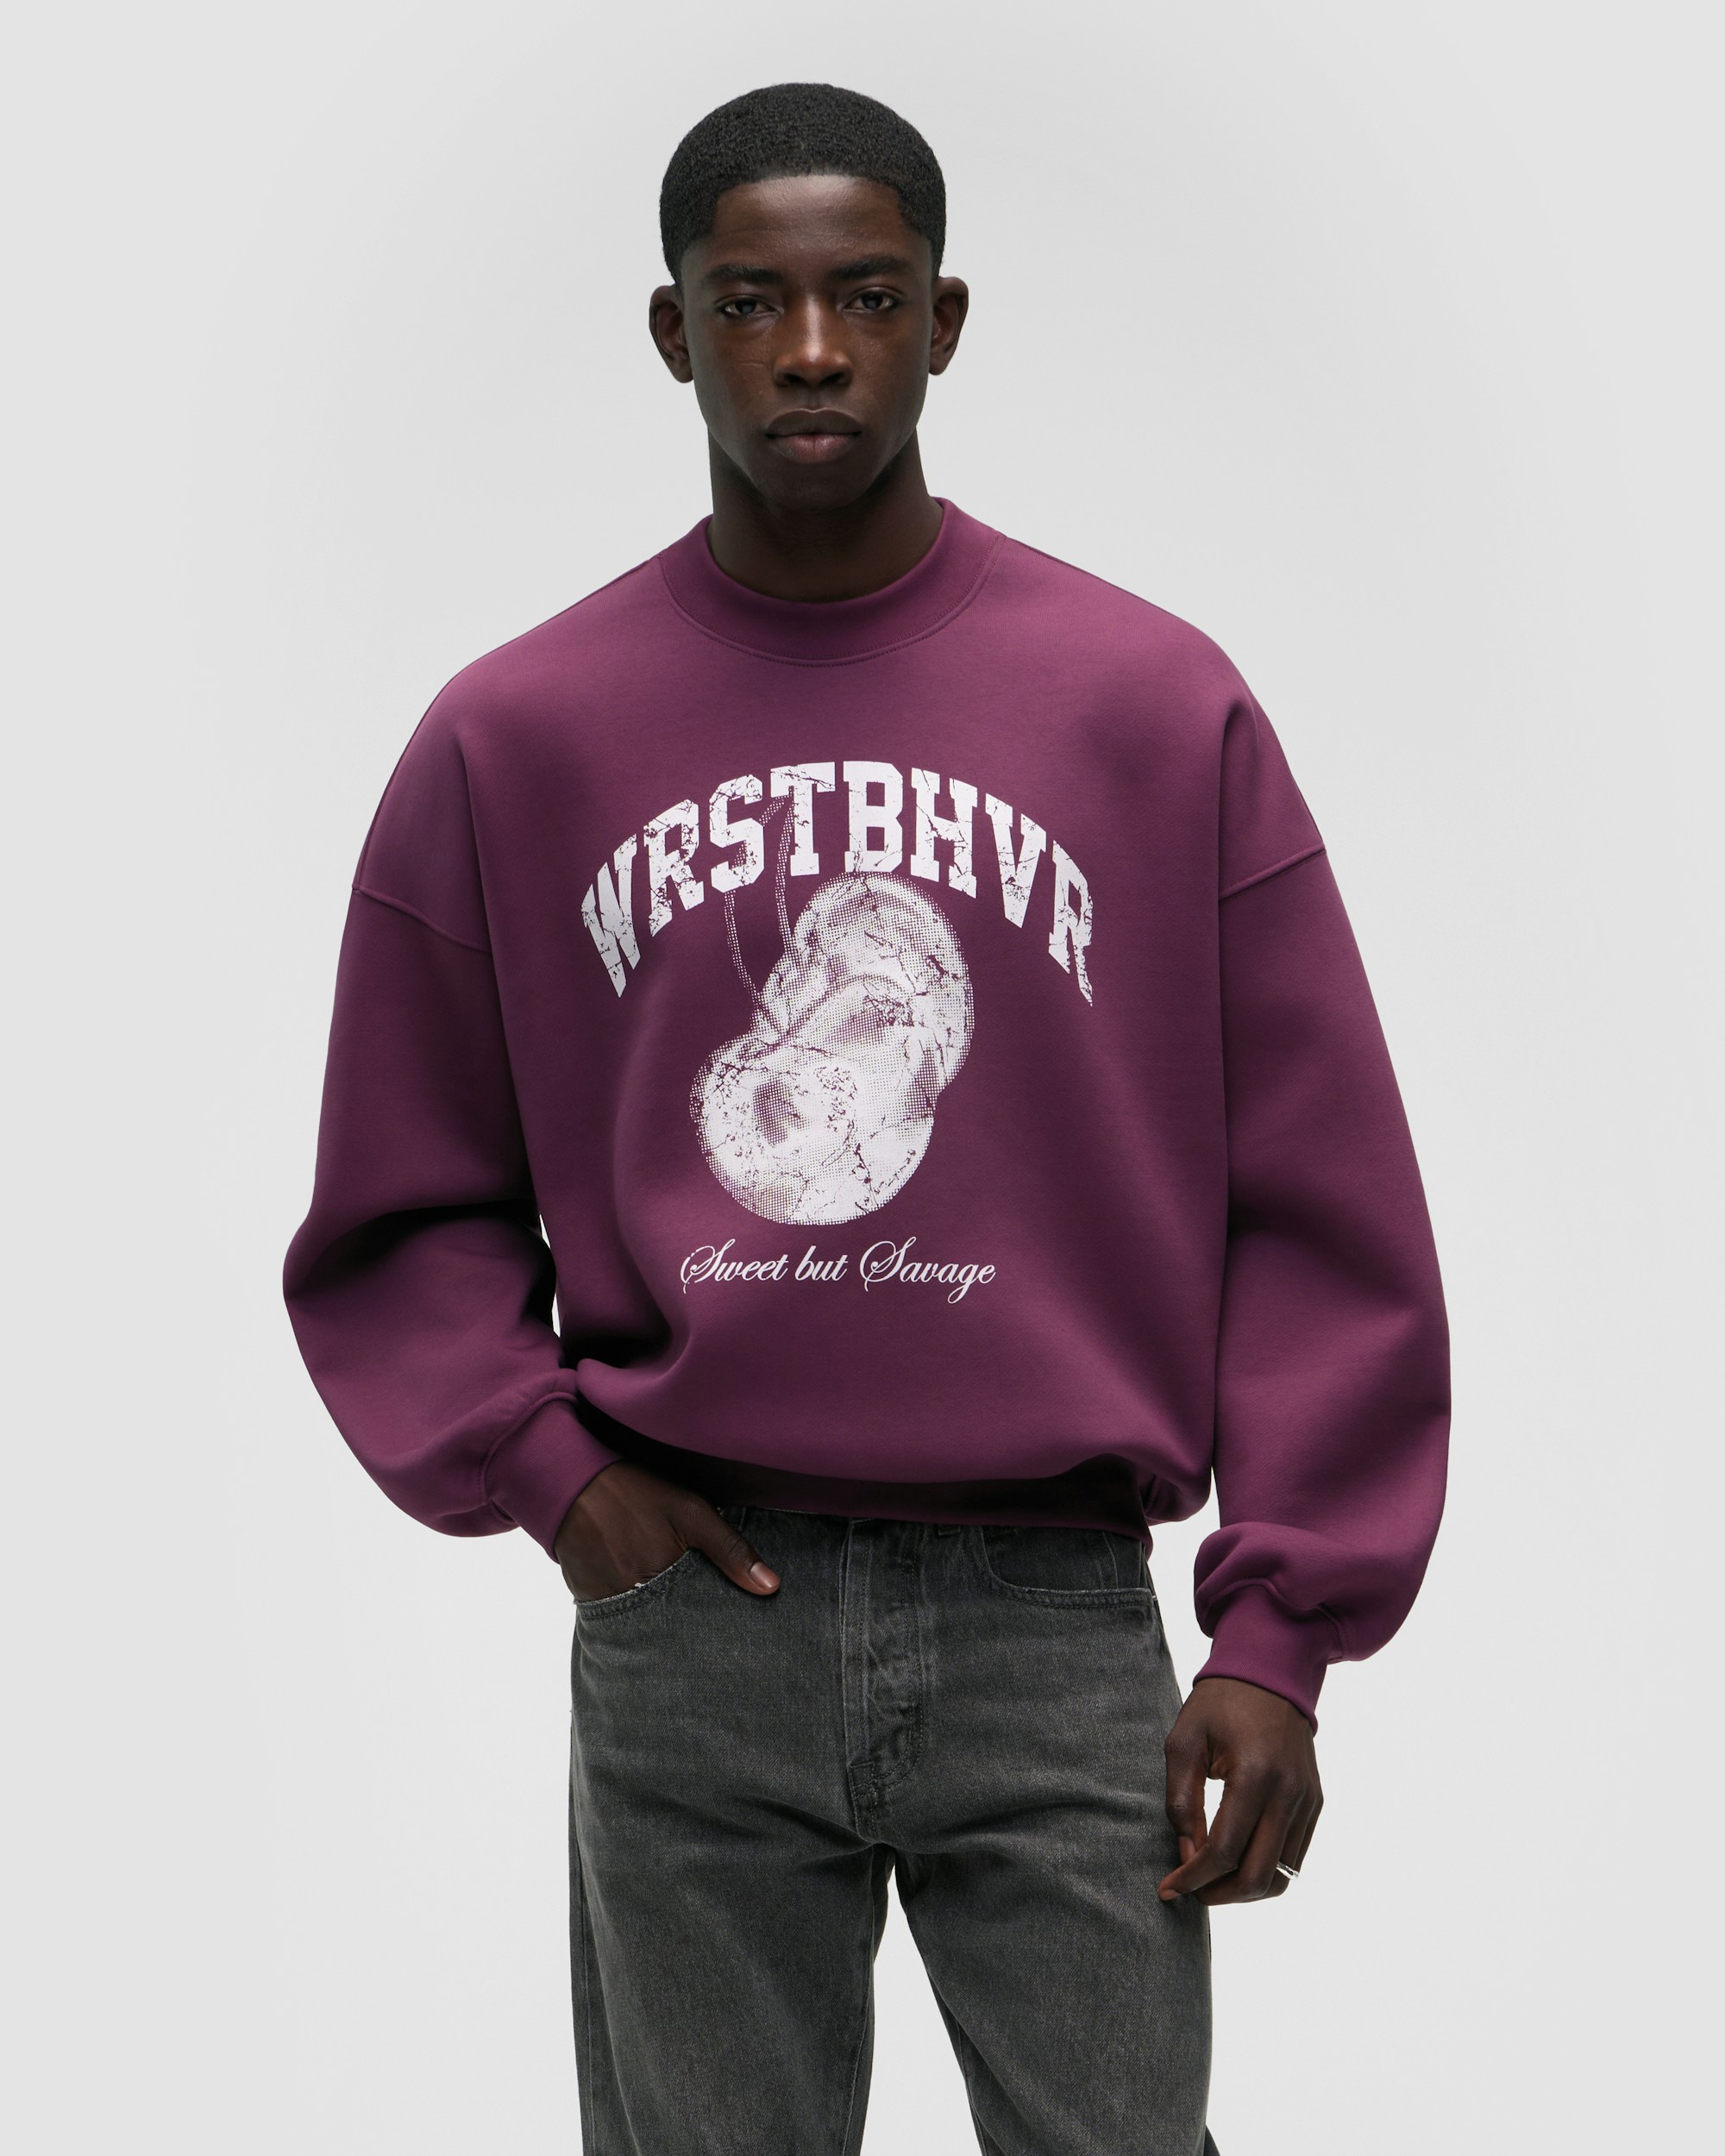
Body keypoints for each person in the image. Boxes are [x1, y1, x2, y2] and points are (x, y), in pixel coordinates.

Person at [284, 80, 1449, 2156]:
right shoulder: (518, 734)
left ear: (944, 320)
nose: (811, 351)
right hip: (693, 1609)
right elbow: (403, 1199)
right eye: (751, 302)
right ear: (674, 331)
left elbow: (1316, 1199)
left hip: (1054, 1616)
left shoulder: (1145, 704)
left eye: (868, 297)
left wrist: (1280, 1631)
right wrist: (555, 1474)